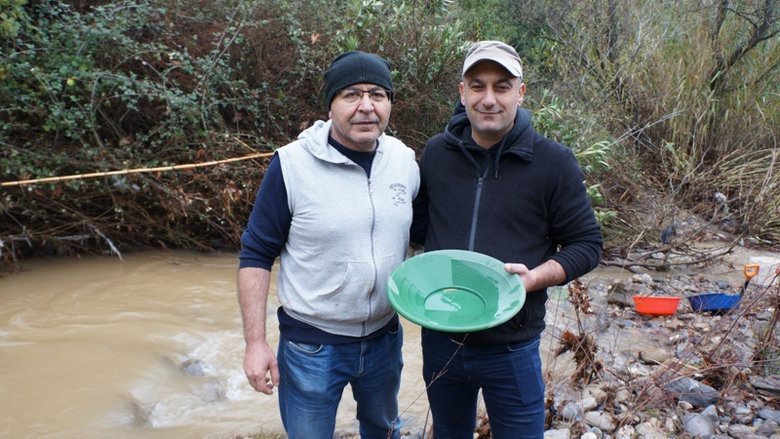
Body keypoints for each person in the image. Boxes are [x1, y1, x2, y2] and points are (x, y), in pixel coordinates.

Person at [411, 40, 603, 437]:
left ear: (521, 92)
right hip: (442, 338)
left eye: (502, 86)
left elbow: (587, 244)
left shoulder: (553, 163)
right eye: (477, 85)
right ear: (462, 92)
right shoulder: (435, 155)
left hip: (512, 346)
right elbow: (416, 228)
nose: (489, 99)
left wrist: (535, 277)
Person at [237, 51, 419, 439]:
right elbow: (255, 255)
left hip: (385, 337)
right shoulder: (291, 165)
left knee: (385, 430)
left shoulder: (404, 160)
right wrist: (255, 343)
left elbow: (424, 237)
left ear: (389, 103)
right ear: (331, 104)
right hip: (311, 346)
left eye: (378, 94)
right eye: (352, 94)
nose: (366, 107)